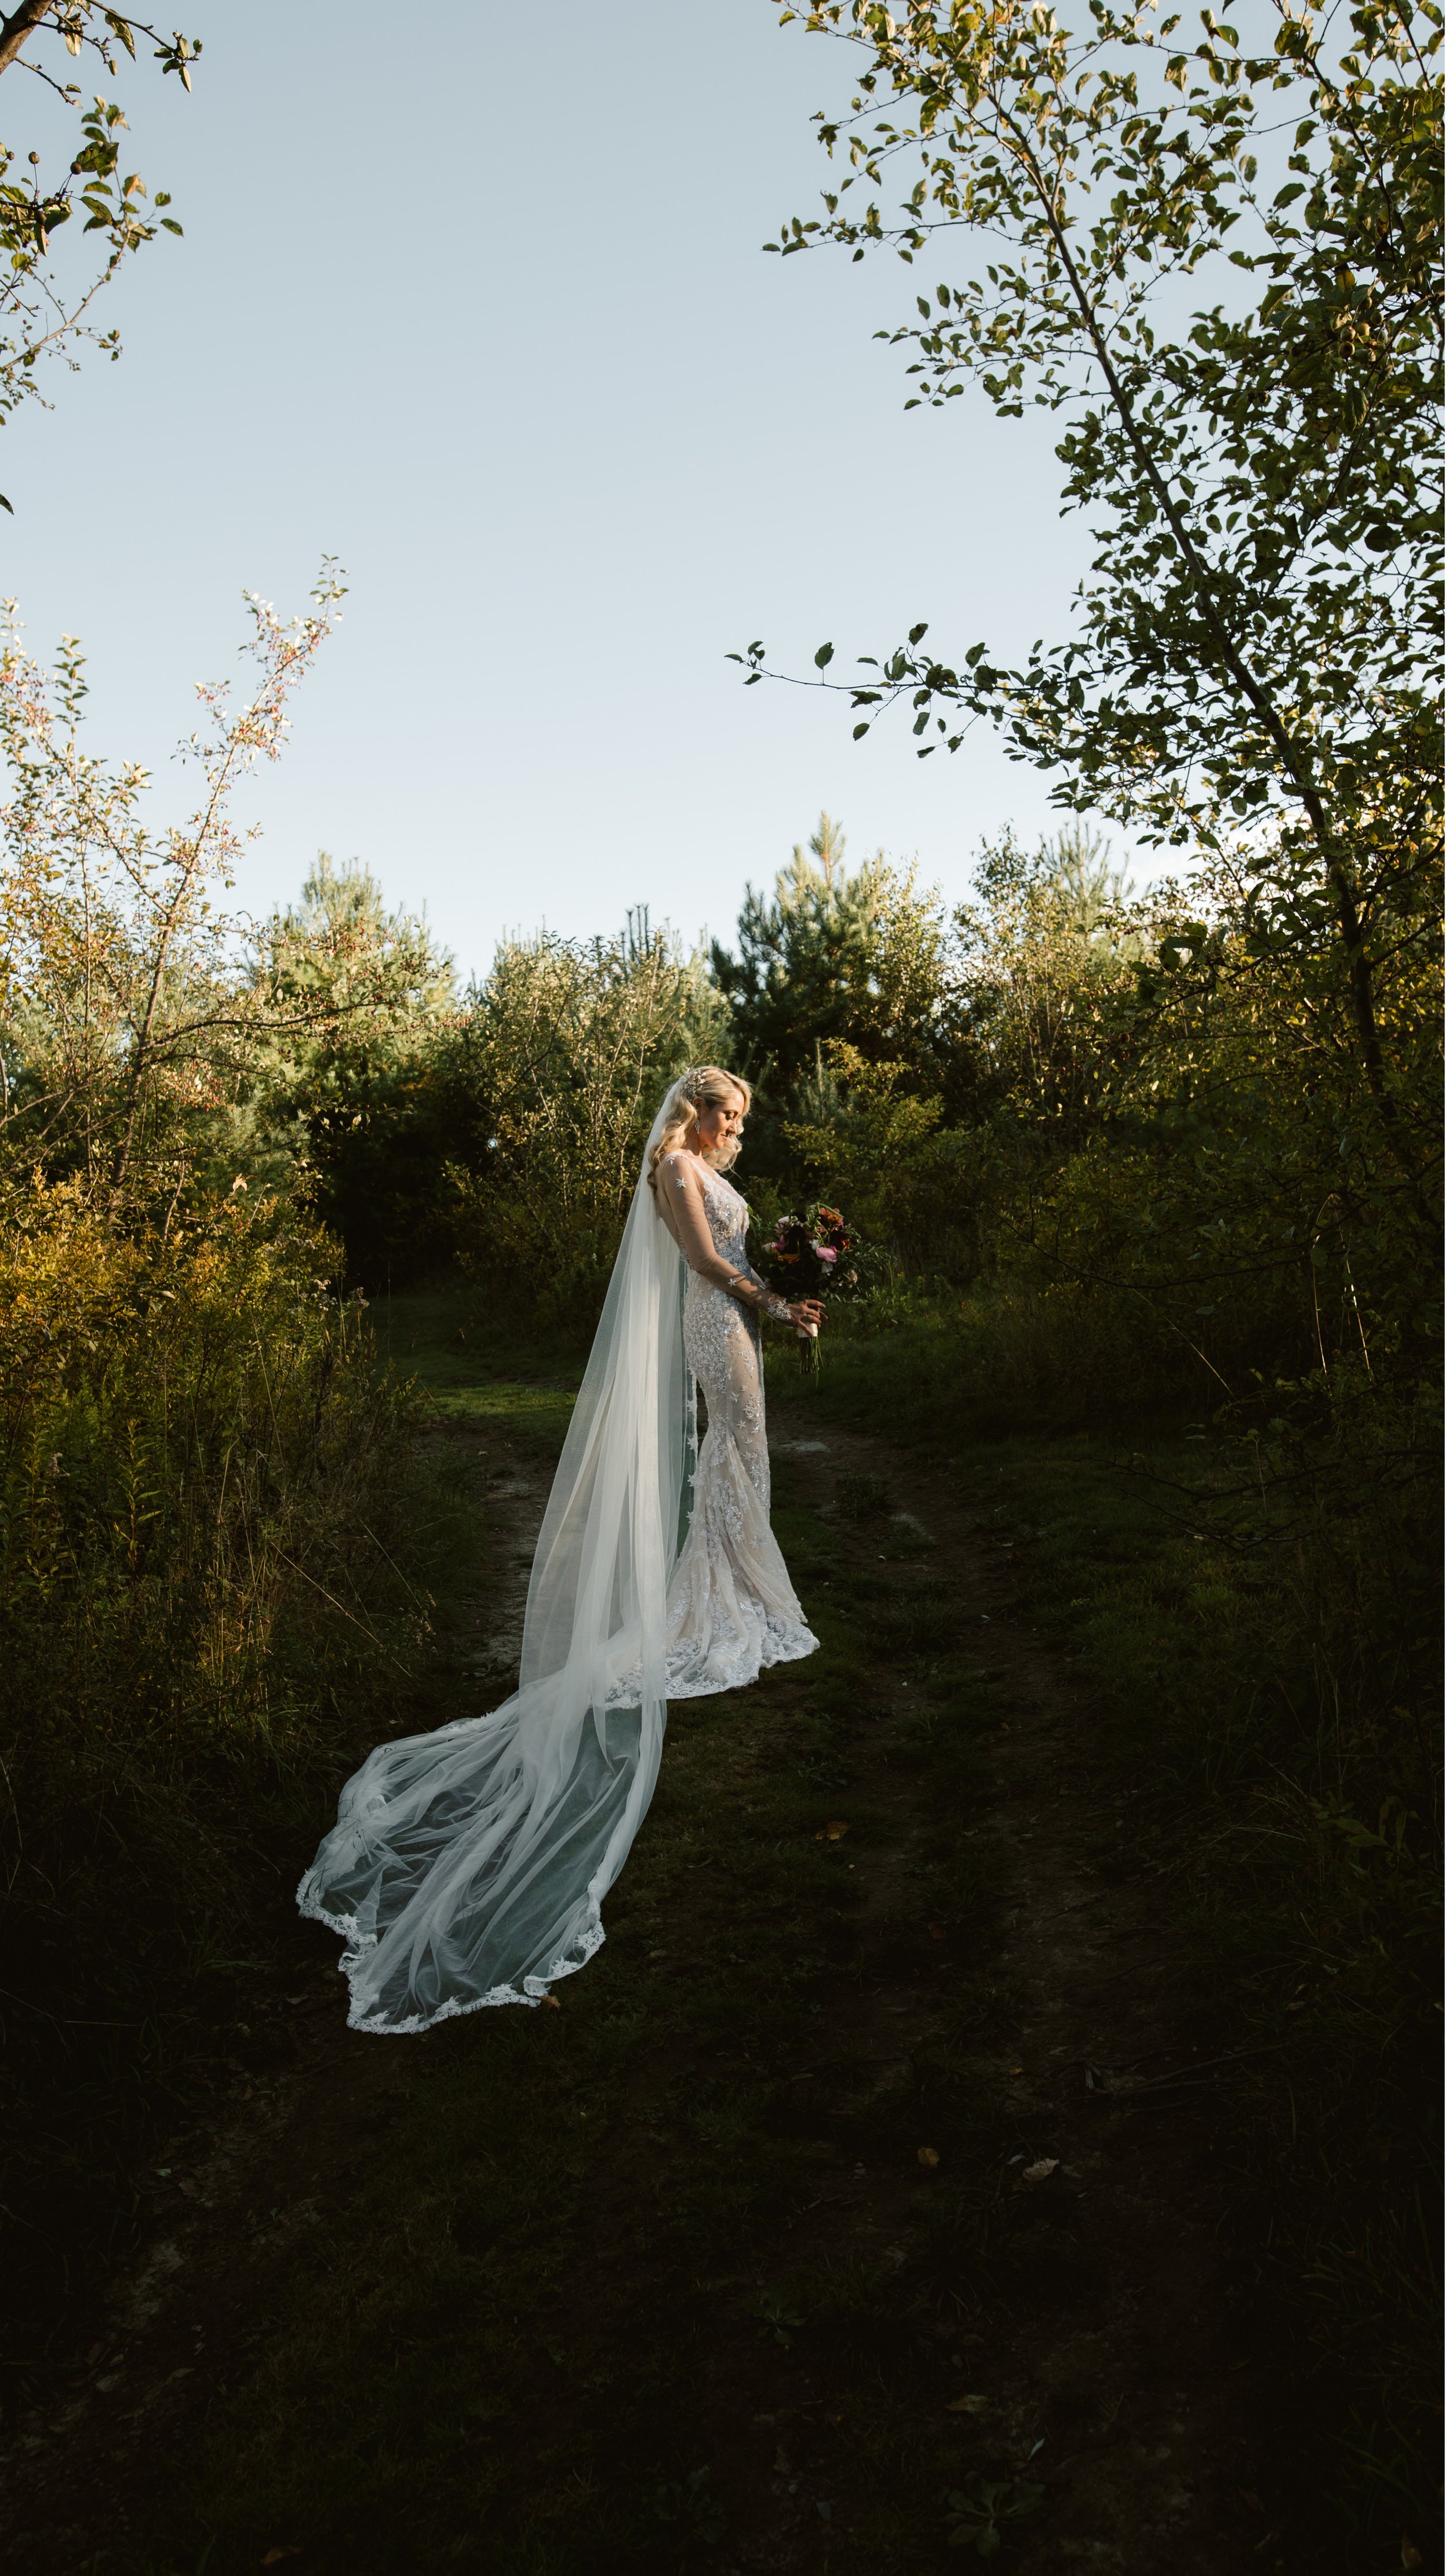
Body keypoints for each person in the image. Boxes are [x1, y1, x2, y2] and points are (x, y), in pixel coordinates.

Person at [298, 1065, 822, 2032]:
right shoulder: (673, 1168)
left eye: (742, 1117)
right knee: (738, 1448)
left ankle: (737, 1585)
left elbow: (739, 1254)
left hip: (740, 1315)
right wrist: (773, 1301)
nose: (732, 1127)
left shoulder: (700, 1160)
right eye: (725, 1112)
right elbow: (706, 1263)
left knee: (745, 1450)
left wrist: (789, 1280)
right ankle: (723, 1599)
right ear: (692, 1109)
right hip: (718, 1319)